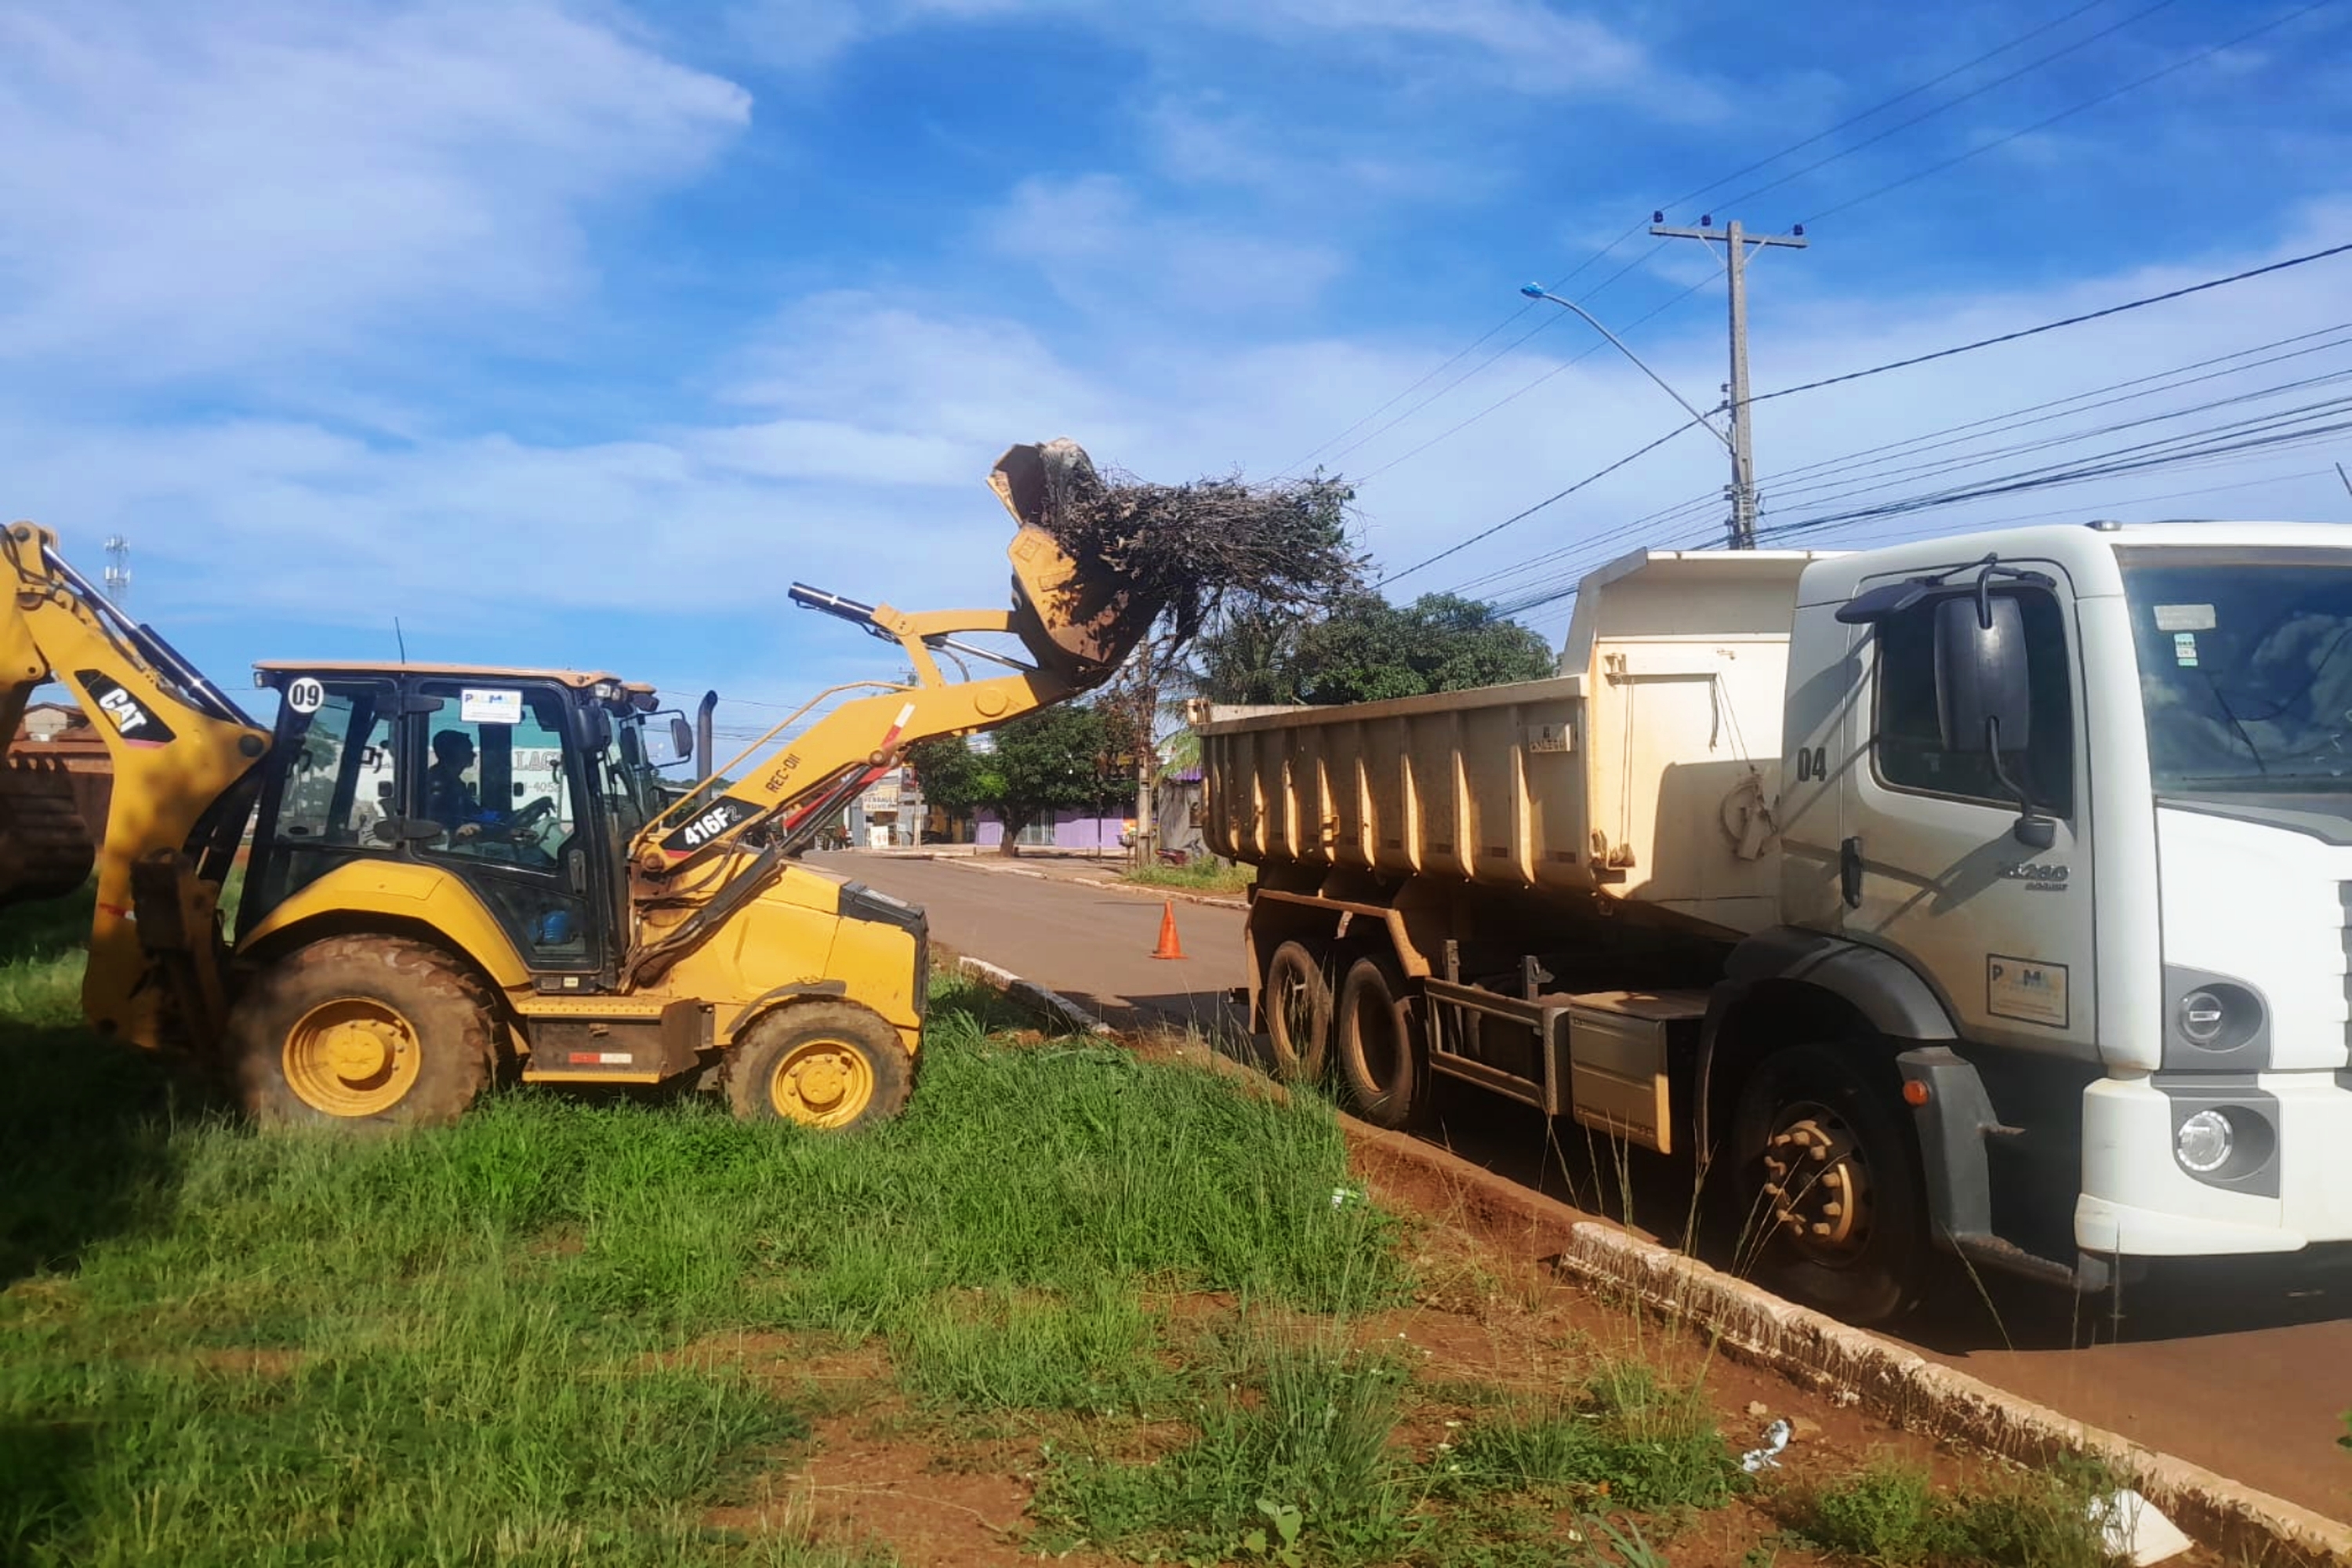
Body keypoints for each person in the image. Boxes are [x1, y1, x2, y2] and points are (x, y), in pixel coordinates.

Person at [426, 730, 502, 841]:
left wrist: (504, 817)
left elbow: (474, 812)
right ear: (451, 752)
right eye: (468, 750)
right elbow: (429, 820)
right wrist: (455, 831)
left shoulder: (456, 782)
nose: (474, 754)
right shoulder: (436, 783)